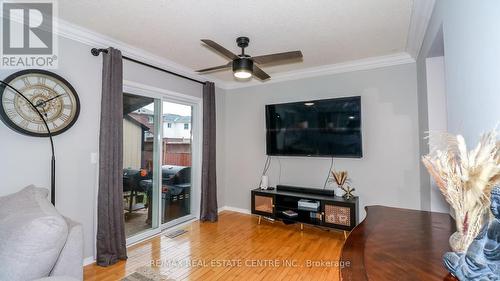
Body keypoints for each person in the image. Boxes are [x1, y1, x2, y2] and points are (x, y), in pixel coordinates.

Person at [443, 186, 500, 280]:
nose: (493, 205)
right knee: (448, 257)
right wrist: (471, 257)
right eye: (492, 200)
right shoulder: (490, 222)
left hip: (491, 267)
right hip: (473, 261)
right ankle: (464, 270)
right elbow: (478, 241)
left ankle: (465, 272)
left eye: (498, 201)